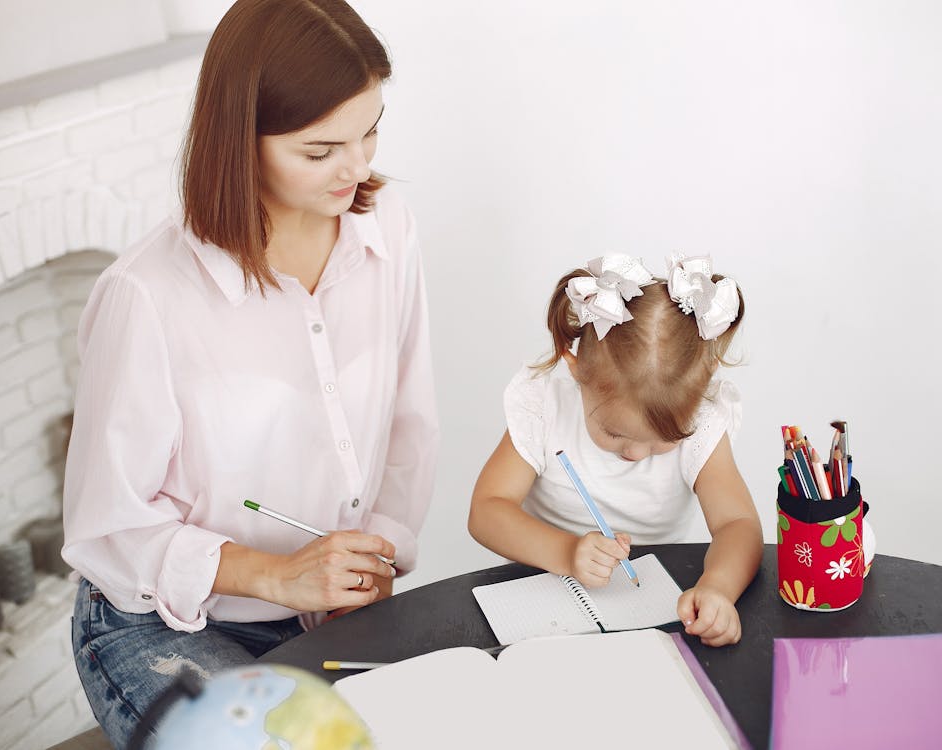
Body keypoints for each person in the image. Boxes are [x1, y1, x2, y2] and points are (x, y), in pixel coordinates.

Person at [61, 0, 438, 744]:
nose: (357, 168)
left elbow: (408, 416)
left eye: (369, 132)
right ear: (243, 141)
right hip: (159, 622)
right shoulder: (148, 294)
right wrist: (277, 575)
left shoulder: (385, 224)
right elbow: (108, 529)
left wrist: (373, 557)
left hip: (329, 606)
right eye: (320, 149)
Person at [468, 253, 762, 647]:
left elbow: (737, 524)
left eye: (665, 440)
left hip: (647, 605)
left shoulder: (704, 423)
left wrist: (718, 588)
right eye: (613, 433)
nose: (637, 454)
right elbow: (486, 510)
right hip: (540, 594)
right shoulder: (546, 407)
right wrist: (567, 552)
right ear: (577, 371)